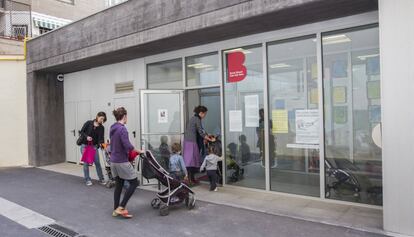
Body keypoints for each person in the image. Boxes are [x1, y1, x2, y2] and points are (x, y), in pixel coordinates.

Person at [110, 107, 142, 219]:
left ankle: (115, 209)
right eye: (127, 116)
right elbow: (127, 145)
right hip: (121, 161)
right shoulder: (122, 129)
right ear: (124, 116)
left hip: (113, 161)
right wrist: (140, 151)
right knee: (134, 183)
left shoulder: (112, 127)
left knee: (119, 184)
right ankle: (121, 207)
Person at [183, 106, 215, 186]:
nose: (205, 116)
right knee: (191, 162)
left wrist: (207, 135)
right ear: (201, 113)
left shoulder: (193, 118)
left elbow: (200, 130)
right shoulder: (197, 119)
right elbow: (200, 132)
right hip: (191, 142)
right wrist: (210, 139)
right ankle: (190, 180)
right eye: (205, 114)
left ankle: (192, 179)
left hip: (188, 141)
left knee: (191, 161)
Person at [79, 112, 107, 186]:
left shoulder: (101, 127)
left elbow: (101, 139)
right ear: (97, 116)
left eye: (103, 119)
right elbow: (81, 132)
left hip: (94, 147)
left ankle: (101, 179)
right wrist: (87, 137)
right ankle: (87, 179)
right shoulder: (89, 123)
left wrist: (102, 145)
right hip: (85, 146)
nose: (101, 120)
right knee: (86, 163)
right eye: (101, 118)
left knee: (97, 162)